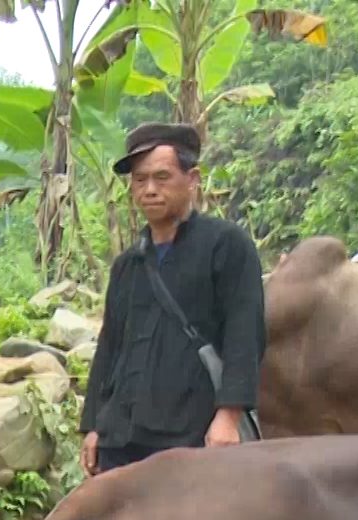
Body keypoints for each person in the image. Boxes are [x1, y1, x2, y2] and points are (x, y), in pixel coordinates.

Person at [80, 122, 266, 476]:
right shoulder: (128, 263)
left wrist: (228, 418)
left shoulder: (226, 246)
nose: (149, 189)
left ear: (192, 179)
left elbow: (245, 335)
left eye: (162, 177)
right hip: (123, 438)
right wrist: (94, 426)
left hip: (191, 436)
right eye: (139, 179)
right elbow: (110, 348)